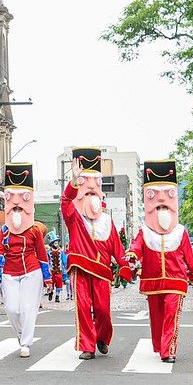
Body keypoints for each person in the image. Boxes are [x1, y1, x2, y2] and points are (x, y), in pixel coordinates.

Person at [125, 161, 193, 363]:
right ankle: (160, 345)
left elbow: (188, 255)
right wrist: (132, 254)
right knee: (156, 316)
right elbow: (137, 246)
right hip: (153, 280)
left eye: (164, 206)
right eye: (157, 207)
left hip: (176, 281)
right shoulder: (144, 231)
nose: (161, 210)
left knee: (171, 315)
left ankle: (169, 350)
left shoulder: (180, 231)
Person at [61, 149, 130, 359]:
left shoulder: (107, 221)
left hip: (101, 272)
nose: (90, 197)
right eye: (87, 193)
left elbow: (117, 247)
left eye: (94, 193)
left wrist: (124, 265)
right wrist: (74, 179)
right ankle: (87, 346)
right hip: (80, 268)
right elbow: (65, 201)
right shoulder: (74, 217)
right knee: (82, 307)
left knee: (102, 310)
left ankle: (102, 337)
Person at [0, 163, 50, 358]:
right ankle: (20, 333)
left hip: (32, 272)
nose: (16, 210)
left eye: (19, 207)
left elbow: (42, 254)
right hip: (10, 272)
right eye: (13, 207)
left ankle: (26, 342)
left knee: (28, 309)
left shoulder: (34, 230)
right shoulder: (4, 230)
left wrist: (48, 277)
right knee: (11, 309)